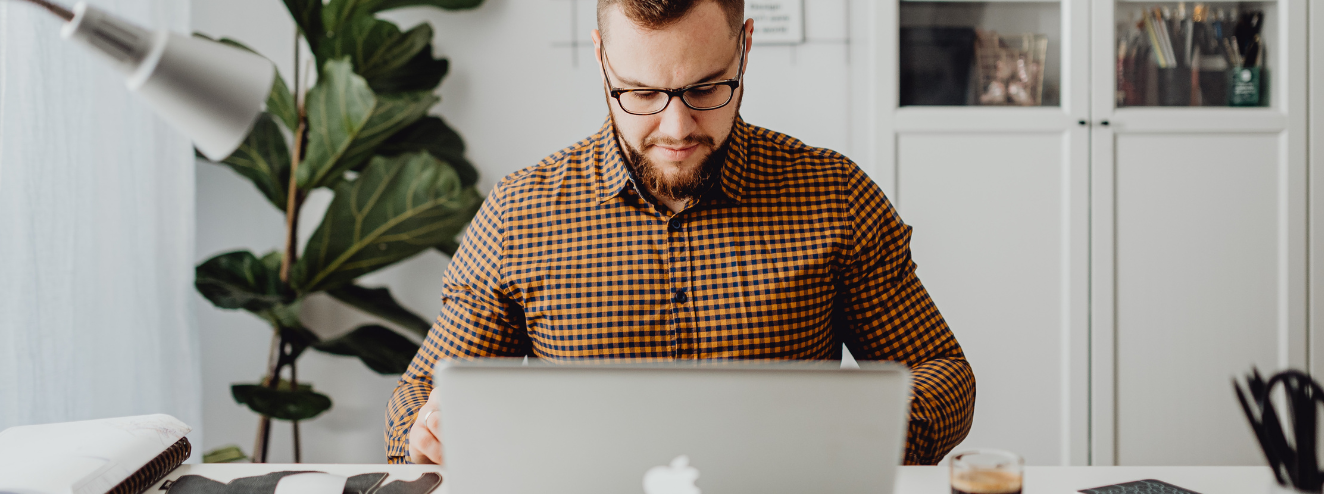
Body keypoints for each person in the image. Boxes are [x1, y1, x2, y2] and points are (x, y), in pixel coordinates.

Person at [384, 0, 974, 465]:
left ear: (744, 46)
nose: (676, 127)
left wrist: (878, 433)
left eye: (704, 89)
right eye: (640, 93)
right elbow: (417, 401)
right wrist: (427, 434)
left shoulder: (835, 195)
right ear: (600, 57)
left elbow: (943, 373)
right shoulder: (521, 214)